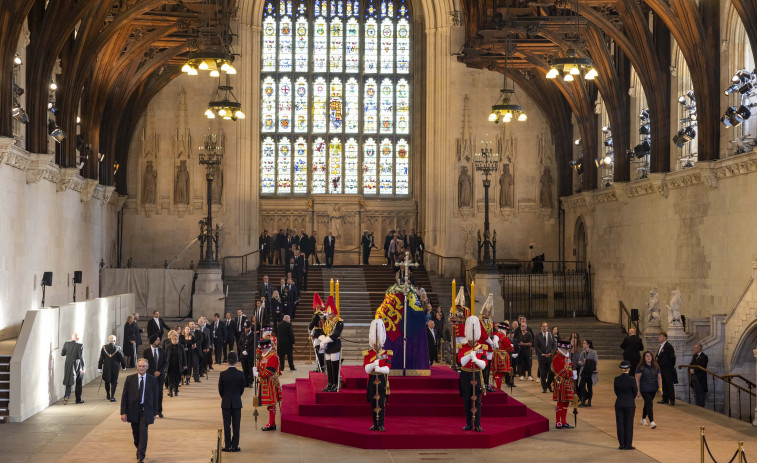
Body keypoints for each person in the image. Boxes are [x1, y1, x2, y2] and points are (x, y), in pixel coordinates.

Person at [121, 358, 160, 463]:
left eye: (143, 366)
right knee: (136, 434)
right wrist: (123, 412)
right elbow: (124, 397)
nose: (141, 368)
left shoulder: (152, 380)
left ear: (147, 368)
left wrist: (155, 412)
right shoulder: (130, 379)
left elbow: (156, 397)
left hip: (146, 410)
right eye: (139, 366)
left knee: (143, 432)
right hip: (133, 410)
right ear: (137, 367)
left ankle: (140, 456)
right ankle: (139, 448)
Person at [458, 316, 488, 432]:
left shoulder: (481, 347)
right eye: (470, 339)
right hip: (466, 376)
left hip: (477, 375)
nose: (472, 341)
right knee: (466, 400)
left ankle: (478, 424)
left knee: (478, 401)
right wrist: (470, 355)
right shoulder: (462, 346)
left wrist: (477, 360)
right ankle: (469, 423)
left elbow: (484, 364)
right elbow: (461, 361)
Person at [364, 319, 391, 431]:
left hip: (381, 379)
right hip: (372, 379)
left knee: (381, 403)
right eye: (375, 341)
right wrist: (372, 365)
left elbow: (388, 368)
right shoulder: (368, 353)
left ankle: (381, 424)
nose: (377, 343)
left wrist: (379, 368)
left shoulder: (386, 353)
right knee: (373, 403)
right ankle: (375, 424)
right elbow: (366, 369)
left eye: (378, 341)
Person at [219, 352, 245, 452]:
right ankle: (235, 446)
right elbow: (242, 389)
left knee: (226, 425)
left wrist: (225, 397)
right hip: (237, 402)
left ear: (227, 362)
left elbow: (220, 389)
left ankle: (227, 445)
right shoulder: (241, 374)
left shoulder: (223, 374)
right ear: (237, 361)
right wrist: (237, 396)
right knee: (236, 425)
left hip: (225, 402)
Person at [254, 338, 282, 431]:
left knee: (271, 403)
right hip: (265, 382)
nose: (261, 351)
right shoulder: (264, 355)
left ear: (267, 348)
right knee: (269, 404)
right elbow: (261, 366)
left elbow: (270, 371)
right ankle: (271, 423)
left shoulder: (272, 356)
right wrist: (257, 368)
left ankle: (272, 423)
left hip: (271, 383)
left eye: (262, 349)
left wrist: (258, 374)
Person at [318, 296, 343, 392]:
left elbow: (335, 334)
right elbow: (321, 333)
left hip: (334, 345)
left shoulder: (339, 322)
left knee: (334, 365)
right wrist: (323, 339)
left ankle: (335, 384)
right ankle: (330, 383)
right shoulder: (327, 323)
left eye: (329, 313)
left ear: (333, 313)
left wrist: (324, 341)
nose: (327, 315)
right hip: (327, 347)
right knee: (328, 365)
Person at [552, 339, 576, 429]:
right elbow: (561, 372)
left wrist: (573, 371)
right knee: (560, 402)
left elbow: (570, 365)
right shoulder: (557, 358)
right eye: (566, 349)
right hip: (560, 382)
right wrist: (571, 373)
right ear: (561, 348)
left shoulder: (565, 357)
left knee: (566, 403)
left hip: (567, 382)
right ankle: (558, 421)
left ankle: (564, 421)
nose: (567, 351)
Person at [614, 360, 638, 450]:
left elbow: (616, 392)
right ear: (629, 369)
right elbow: (635, 392)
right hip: (630, 403)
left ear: (621, 369)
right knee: (629, 424)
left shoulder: (616, 379)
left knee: (620, 424)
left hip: (619, 402)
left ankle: (621, 444)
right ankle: (628, 445)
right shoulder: (632, 380)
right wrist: (630, 398)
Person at [635, 351, 661, 429]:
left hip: (653, 388)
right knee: (650, 404)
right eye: (647, 356)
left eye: (650, 356)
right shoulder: (640, 367)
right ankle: (652, 422)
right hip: (644, 389)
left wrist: (660, 388)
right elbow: (637, 379)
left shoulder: (656, 366)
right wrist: (638, 391)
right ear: (644, 358)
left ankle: (643, 418)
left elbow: (659, 378)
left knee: (647, 404)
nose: (649, 357)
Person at [143, 334, 166, 418]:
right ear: (153, 341)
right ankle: (151, 410)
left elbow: (164, 362)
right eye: (157, 340)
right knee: (150, 393)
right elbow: (145, 364)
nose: (159, 341)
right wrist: (153, 372)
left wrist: (159, 371)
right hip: (150, 375)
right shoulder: (146, 351)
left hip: (160, 375)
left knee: (160, 393)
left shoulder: (162, 351)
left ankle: (159, 411)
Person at [98, 335, 126, 402]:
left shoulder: (104, 347)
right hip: (115, 368)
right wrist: (123, 366)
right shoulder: (118, 348)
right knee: (114, 382)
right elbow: (122, 358)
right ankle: (112, 397)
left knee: (107, 381)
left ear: (108, 340)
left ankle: (108, 394)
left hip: (106, 367)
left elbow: (101, 358)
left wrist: (99, 368)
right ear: (114, 340)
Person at [478, 295, 496, 391]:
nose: (488, 312)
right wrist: (490, 341)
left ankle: (487, 383)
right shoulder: (479, 321)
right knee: (483, 366)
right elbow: (483, 334)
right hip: (482, 346)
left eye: (489, 311)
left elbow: (494, 331)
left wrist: (495, 340)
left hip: (490, 347)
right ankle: (482, 383)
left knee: (489, 367)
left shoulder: (490, 321)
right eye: (487, 310)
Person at [61, 332, 85, 405]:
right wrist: (83, 367)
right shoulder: (80, 345)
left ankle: (66, 396)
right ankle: (78, 399)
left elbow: (62, 353)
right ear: (77, 338)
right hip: (77, 364)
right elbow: (81, 357)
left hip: (68, 364)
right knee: (79, 381)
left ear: (71, 338)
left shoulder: (66, 344)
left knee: (69, 380)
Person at [491, 322, 515, 390]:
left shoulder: (496, 335)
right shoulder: (505, 338)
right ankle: (499, 387)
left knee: (496, 372)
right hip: (502, 357)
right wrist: (512, 346)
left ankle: (497, 385)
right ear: (504, 330)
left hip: (495, 355)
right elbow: (509, 349)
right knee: (501, 373)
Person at [655, 331, 676, 405]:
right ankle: (665, 399)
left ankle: (672, 400)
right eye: (659, 336)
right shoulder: (661, 346)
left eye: (660, 336)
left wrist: (669, 366)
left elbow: (672, 358)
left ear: (665, 337)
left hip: (667, 368)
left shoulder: (668, 346)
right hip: (661, 369)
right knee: (663, 384)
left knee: (669, 384)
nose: (659, 338)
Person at [534, 322, 556, 393]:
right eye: (543, 326)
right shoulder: (537, 336)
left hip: (550, 357)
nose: (544, 328)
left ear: (547, 327)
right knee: (543, 373)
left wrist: (551, 353)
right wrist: (542, 354)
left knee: (551, 372)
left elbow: (554, 346)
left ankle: (548, 384)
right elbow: (536, 347)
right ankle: (544, 388)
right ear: (541, 327)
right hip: (542, 357)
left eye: (546, 326)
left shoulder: (551, 335)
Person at [576, 339, 599, 407]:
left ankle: (589, 401)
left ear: (588, 345)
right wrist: (584, 363)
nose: (583, 344)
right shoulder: (582, 352)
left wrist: (586, 362)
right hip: (583, 372)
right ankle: (583, 400)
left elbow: (595, 362)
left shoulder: (594, 352)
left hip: (590, 372)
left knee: (589, 387)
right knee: (581, 386)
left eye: (584, 343)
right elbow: (579, 362)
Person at [164, 330, 186, 397]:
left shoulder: (181, 346)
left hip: (178, 365)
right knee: (170, 378)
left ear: (178, 339)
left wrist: (185, 365)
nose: (175, 340)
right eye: (174, 339)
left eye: (176, 339)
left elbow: (184, 356)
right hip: (170, 365)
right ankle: (170, 391)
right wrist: (164, 365)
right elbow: (165, 356)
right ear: (171, 339)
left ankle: (176, 390)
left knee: (177, 379)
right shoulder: (168, 346)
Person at [309, 293, 326, 372]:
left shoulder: (316, 315)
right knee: (322, 351)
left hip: (317, 334)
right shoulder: (325, 315)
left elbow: (311, 325)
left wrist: (309, 329)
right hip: (324, 334)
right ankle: (322, 367)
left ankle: (320, 367)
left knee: (318, 351)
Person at [238, 321, 255, 387]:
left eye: (247, 328)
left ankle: (250, 381)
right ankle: (245, 382)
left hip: (250, 355)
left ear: (250, 327)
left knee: (250, 369)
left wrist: (247, 351)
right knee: (244, 369)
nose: (246, 329)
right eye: (245, 328)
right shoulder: (242, 334)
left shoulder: (253, 335)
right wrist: (242, 351)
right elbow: (239, 344)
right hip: (243, 355)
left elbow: (254, 345)